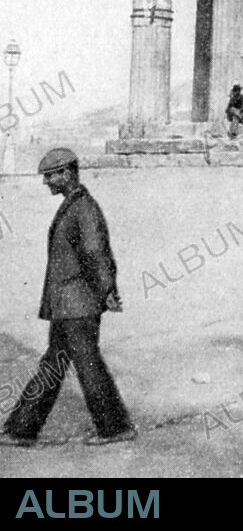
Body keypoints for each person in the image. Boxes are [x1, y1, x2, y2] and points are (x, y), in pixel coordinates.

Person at [0, 149, 137, 448]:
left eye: (50, 175)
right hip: (69, 306)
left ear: (66, 174)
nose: (46, 182)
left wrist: (107, 291)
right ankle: (21, 430)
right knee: (54, 365)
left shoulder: (83, 208)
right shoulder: (74, 206)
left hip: (78, 306)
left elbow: (95, 254)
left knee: (85, 365)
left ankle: (114, 428)